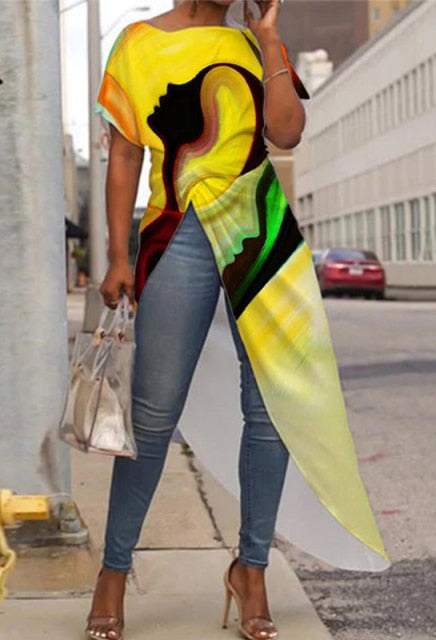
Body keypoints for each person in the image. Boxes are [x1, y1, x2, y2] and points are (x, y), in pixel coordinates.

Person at [88, 1, 389, 639]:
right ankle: (113, 570)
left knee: (271, 408)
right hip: (179, 235)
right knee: (153, 414)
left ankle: (251, 569)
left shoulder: (253, 43)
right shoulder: (137, 43)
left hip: (262, 232)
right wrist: (117, 254)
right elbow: (125, 157)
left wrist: (270, 37)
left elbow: (287, 133)